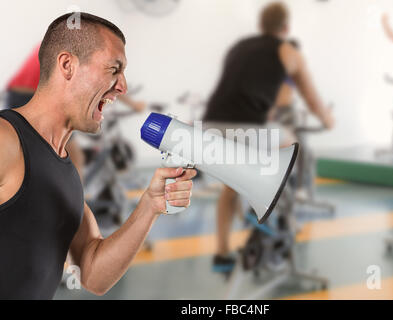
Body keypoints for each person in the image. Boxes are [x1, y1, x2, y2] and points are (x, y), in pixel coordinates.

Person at [0, 12, 196, 299]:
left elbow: (92, 273)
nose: (123, 86)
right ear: (67, 66)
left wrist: (150, 205)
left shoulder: (66, 173)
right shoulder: (6, 140)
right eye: (113, 69)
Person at [202, 2, 333, 273]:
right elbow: (311, 96)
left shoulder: (239, 46)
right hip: (245, 127)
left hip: (211, 126)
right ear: (286, 27)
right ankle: (258, 205)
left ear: (261, 25)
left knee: (230, 185)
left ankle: (222, 253)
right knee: (291, 144)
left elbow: (246, 88)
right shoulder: (288, 50)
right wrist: (327, 120)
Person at [4, 43, 147, 177]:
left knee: (34, 152)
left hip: (18, 95)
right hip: (31, 96)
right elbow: (107, 82)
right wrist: (133, 105)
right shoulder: (75, 51)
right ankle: (73, 201)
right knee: (73, 155)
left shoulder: (55, 44)